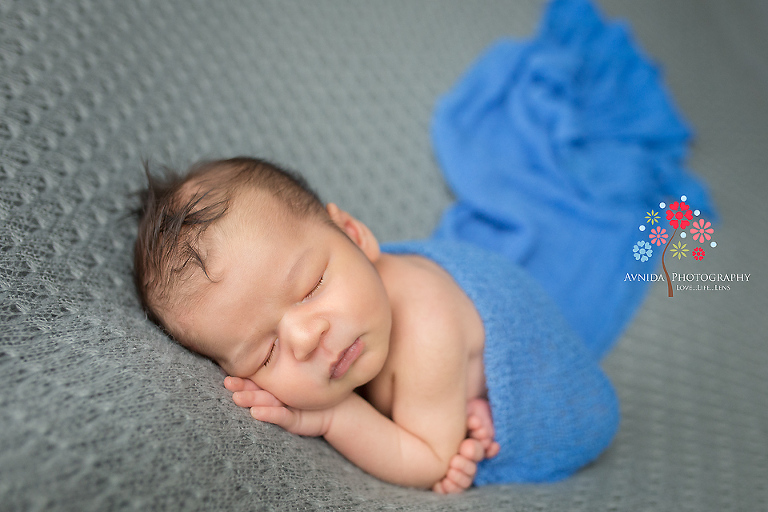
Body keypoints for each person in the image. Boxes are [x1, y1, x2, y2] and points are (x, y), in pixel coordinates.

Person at [134, 156, 618, 491]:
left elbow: (429, 461)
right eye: (266, 353)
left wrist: (333, 416)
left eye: (310, 286)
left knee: (480, 439)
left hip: (552, 392)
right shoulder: (355, 309)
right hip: (449, 359)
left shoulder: (428, 328)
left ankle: (481, 397)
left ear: (354, 234)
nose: (305, 339)